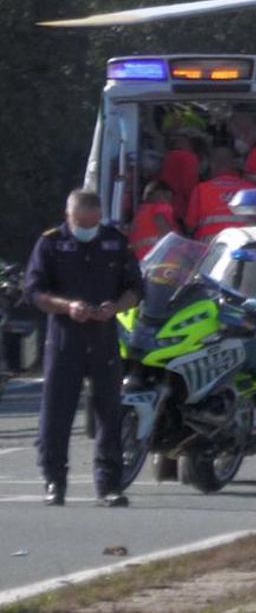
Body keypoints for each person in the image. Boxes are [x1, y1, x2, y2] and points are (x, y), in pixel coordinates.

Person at [24, 190, 142, 506]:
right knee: (57, 413)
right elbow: (34, 292)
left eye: (93, 223)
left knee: (109, 412)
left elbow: (134, 289)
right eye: (81, 223)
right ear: (69, 217)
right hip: (65, 338)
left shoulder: (115, 242)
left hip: (103, 337)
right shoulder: (50, 243)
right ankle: (54, 481)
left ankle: (109, 485)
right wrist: (68, 306)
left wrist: (115, 307)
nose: (88, 229)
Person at [188, 147, 251, 241]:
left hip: (212, 247)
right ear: (234, 164)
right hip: (245, 243)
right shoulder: (250, 189)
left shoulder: (201, 189)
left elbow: (190, 226)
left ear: (212, 164)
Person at [128, 181, 178, 260]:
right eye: (168, 197)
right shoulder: (159, 208)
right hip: (156, 260)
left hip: (139, 261)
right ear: (159, 194)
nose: (168, 201)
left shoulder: (140, 212)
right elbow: (168, 235)